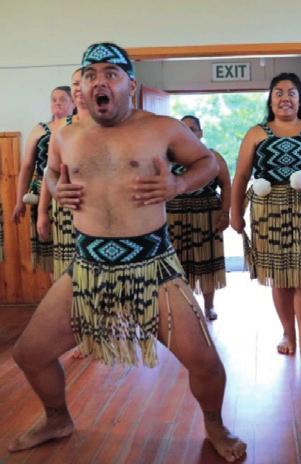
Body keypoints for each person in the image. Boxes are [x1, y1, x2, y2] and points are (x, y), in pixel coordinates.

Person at [9, 43, 246, 462]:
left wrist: (176, 186)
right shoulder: (65, 135)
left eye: (111, 74)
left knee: (206, 363)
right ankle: (57, 416)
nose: (100, 81)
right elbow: (49, 171)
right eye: (91, 74)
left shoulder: (163, 127)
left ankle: (214, 424)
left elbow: (207, 163)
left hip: (153, 267)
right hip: (86, 268)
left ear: (130, 85)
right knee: (29, 354)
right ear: (81, 84)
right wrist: (53, 188)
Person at [231, 72, 301, 361]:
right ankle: (287, 333)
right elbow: (242, 175)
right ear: (270, 98)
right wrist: (235, 212)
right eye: (278, 92)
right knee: (280, 278)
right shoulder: (256, 132)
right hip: (268, 211)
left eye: (292, 92)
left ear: (300, 99)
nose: (285, 98)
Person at [167, 115, 231, 321]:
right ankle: (182, 308)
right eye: (183, 129)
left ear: (201, 133)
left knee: (207, 261)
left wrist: (225, 212)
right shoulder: (165, 159)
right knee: (176, 264)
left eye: (193, 129)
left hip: (207, 216)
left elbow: (226, 185)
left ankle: (209, 306)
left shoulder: (212, 157)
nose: (188, 133)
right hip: (173, 217)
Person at [12, 85, 75, 271]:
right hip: (40, 193)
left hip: (69, 192)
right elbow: (26, 167)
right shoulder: (40, 129)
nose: (57, 103)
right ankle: (56, 292)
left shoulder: (78, 127)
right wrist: (19, 201)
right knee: (50, 252)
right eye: (53, 99)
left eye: (63, 99)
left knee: (72, 249)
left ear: (73, 103)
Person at [37, 68, 90, 280]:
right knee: (67, 274)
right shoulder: (61, 130)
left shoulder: (112, 123)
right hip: (66, 211)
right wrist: (42, 211)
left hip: (99, 213)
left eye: (83, 82)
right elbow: (49, 172)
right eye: (75, 83)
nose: (79, 88)